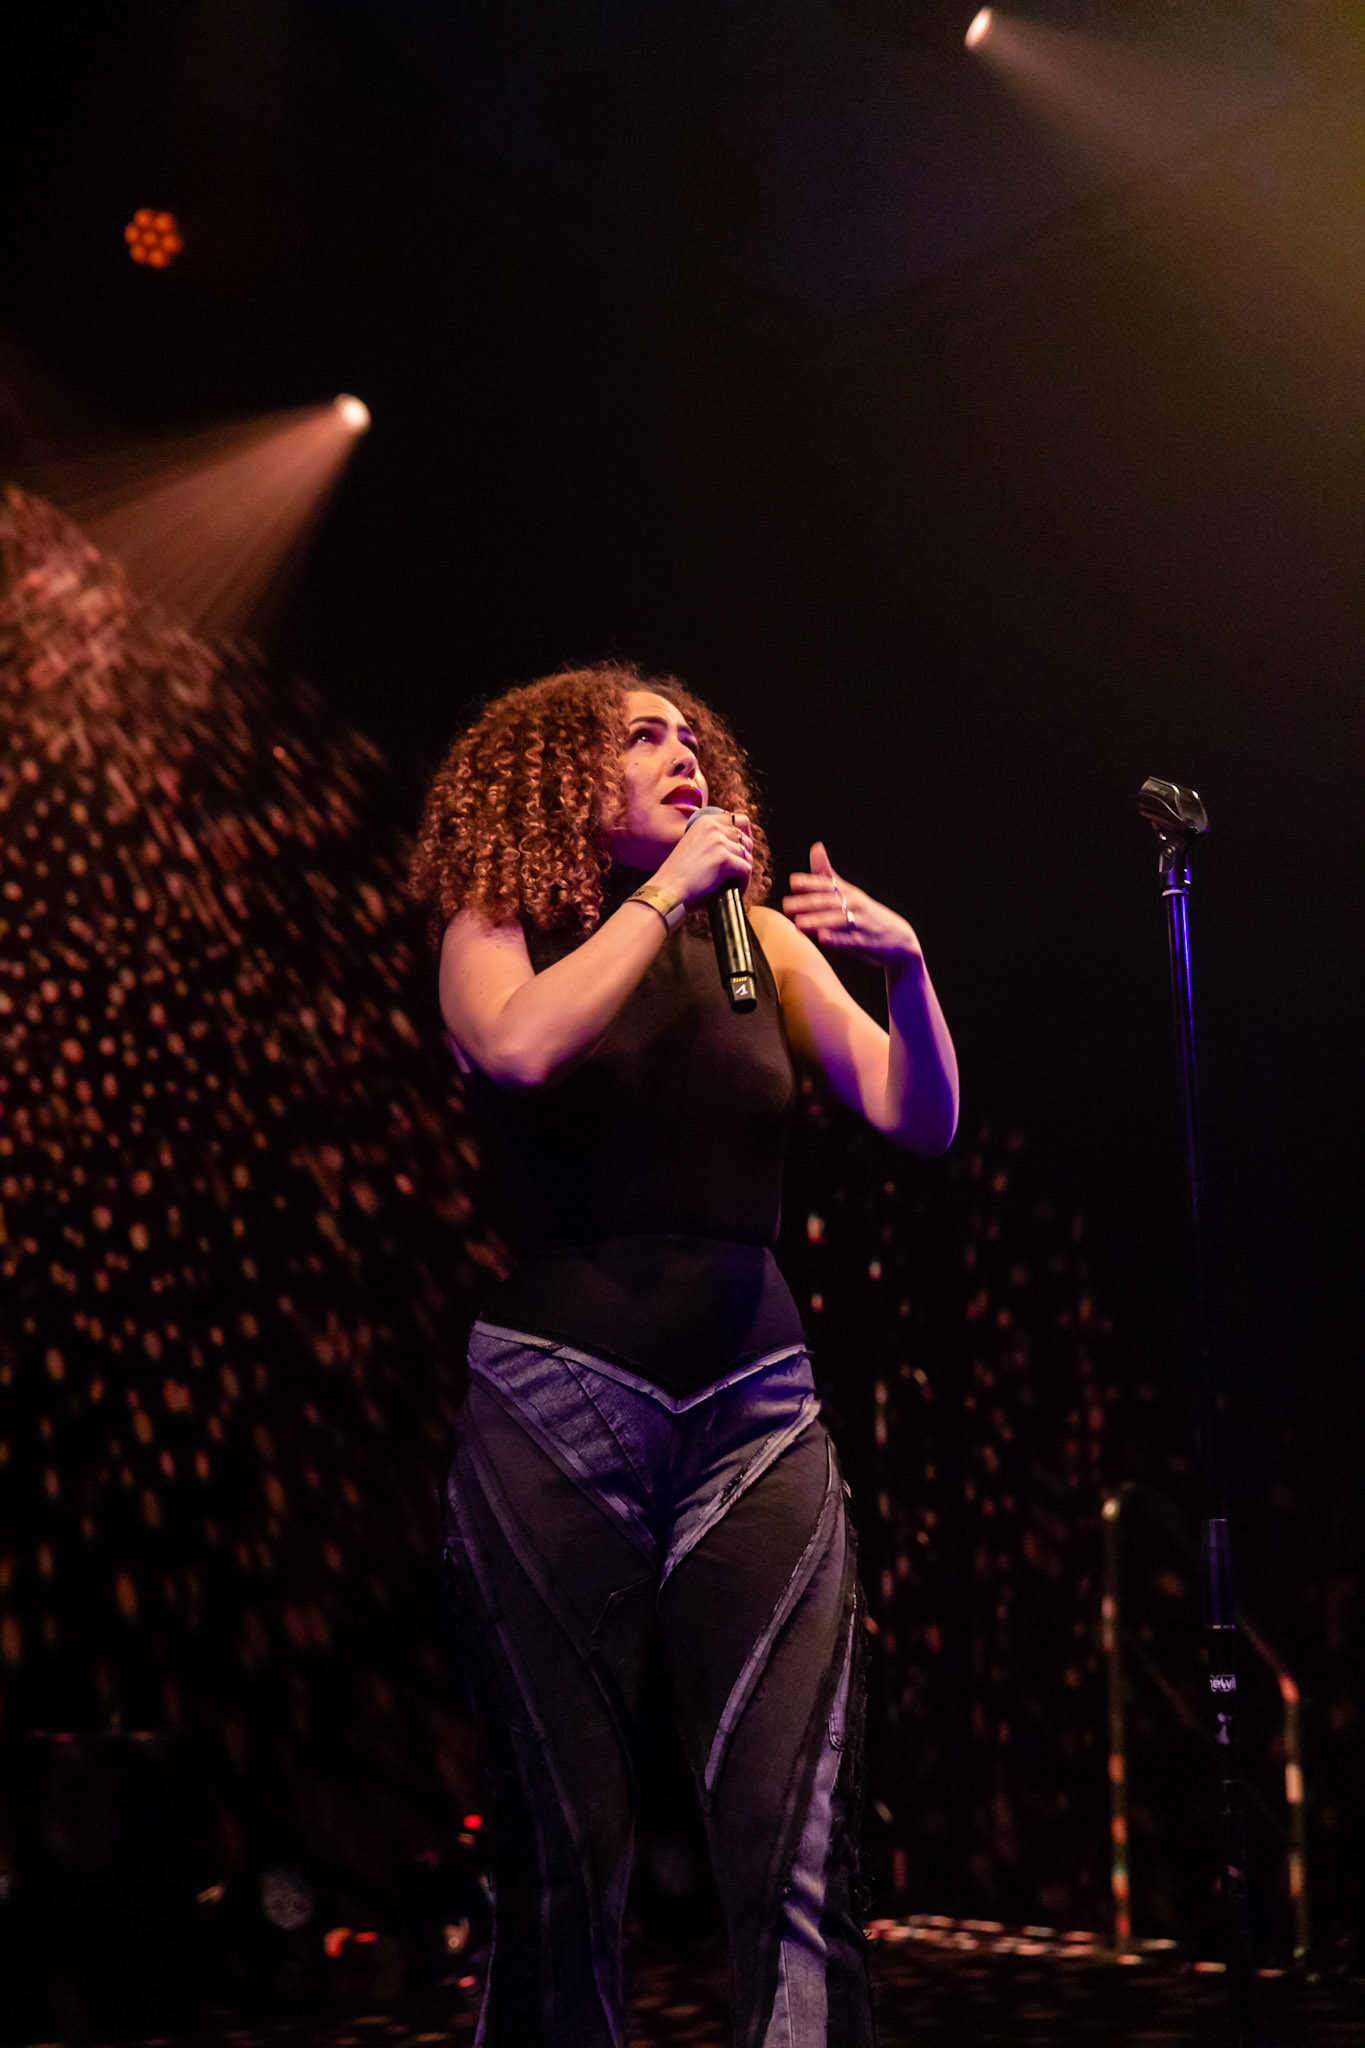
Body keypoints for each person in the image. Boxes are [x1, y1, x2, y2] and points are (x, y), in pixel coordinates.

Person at [409, 662, 958, 2048]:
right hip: (557, 1398)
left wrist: (908, 969)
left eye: (688, 735)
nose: (681, 752)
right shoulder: (500, 922)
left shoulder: (757, 943)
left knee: (797, 1834)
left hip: (754, 1405)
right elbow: (517, 1049)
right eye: (640, 737)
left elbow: (915, 1113)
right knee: (562, 1850)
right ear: (558, 779)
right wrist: (660, 898)